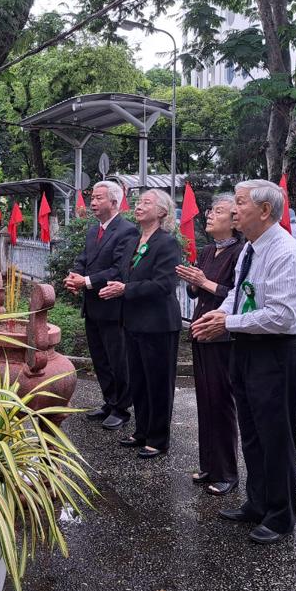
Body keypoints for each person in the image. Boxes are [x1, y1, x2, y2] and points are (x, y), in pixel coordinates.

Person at [191, 179, 296, 545]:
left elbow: (283, 315)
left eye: (240, 203)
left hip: (276, 352)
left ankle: (280, 515)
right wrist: (221, 317)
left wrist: (229, 322)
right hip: (246, 348)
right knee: (253, 433)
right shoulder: (250, 250)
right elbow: (240, 295)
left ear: (264, 210)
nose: (233, 209)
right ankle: (257, 502)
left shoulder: (286, 252)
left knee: (276, 436)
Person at [99, 189, 181, 458]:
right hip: (133, 321)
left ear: (162, 212)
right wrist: (118, 287)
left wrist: (126, 289)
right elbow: (125, 273)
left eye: (147, 202)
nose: (139, 206)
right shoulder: (136, 239)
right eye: (138, 201)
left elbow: (164, 284)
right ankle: (142, 430)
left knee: (158, 382)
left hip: (158, 324)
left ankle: (158, 438)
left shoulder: (166, 243)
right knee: (139, 380)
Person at [175, 194, 244, 495]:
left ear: (234, 220)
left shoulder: (241, 252)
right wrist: (193, 282)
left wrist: (203, 282)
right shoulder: (206, 251)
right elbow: (195, 293)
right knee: (205, 401)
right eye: (210, 211)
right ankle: (209, 465)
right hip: (200, 330)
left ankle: (227, 472)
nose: (209, 216)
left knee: (222, 402)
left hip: (222, 335)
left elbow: (235, 294)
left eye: (218, 212)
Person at [64, 182, 139, 430]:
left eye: (98, 198)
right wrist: (74, 276)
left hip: (112, 305)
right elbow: (83, 259)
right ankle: (109, 400)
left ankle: (122, 408)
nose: (92, 203)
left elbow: (118, 270)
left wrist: (85, 281)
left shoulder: (127, 231)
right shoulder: (93, 230)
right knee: (100, 358)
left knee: (118, 359)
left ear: (114, 203)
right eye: (92, 198)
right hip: (93, 305)